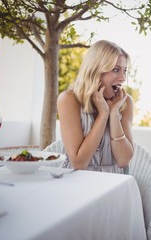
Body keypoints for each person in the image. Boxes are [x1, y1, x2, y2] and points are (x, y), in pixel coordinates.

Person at [57, 40, 134, 173]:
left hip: (114, 183)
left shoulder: (125, 103)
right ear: (96, 70)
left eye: (124, 71)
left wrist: (114, 113)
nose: (122, 78)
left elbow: (123, 161)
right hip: (77, 182)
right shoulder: (69, 100)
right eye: (116, 70)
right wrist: (103, 115)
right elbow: (79, 163)